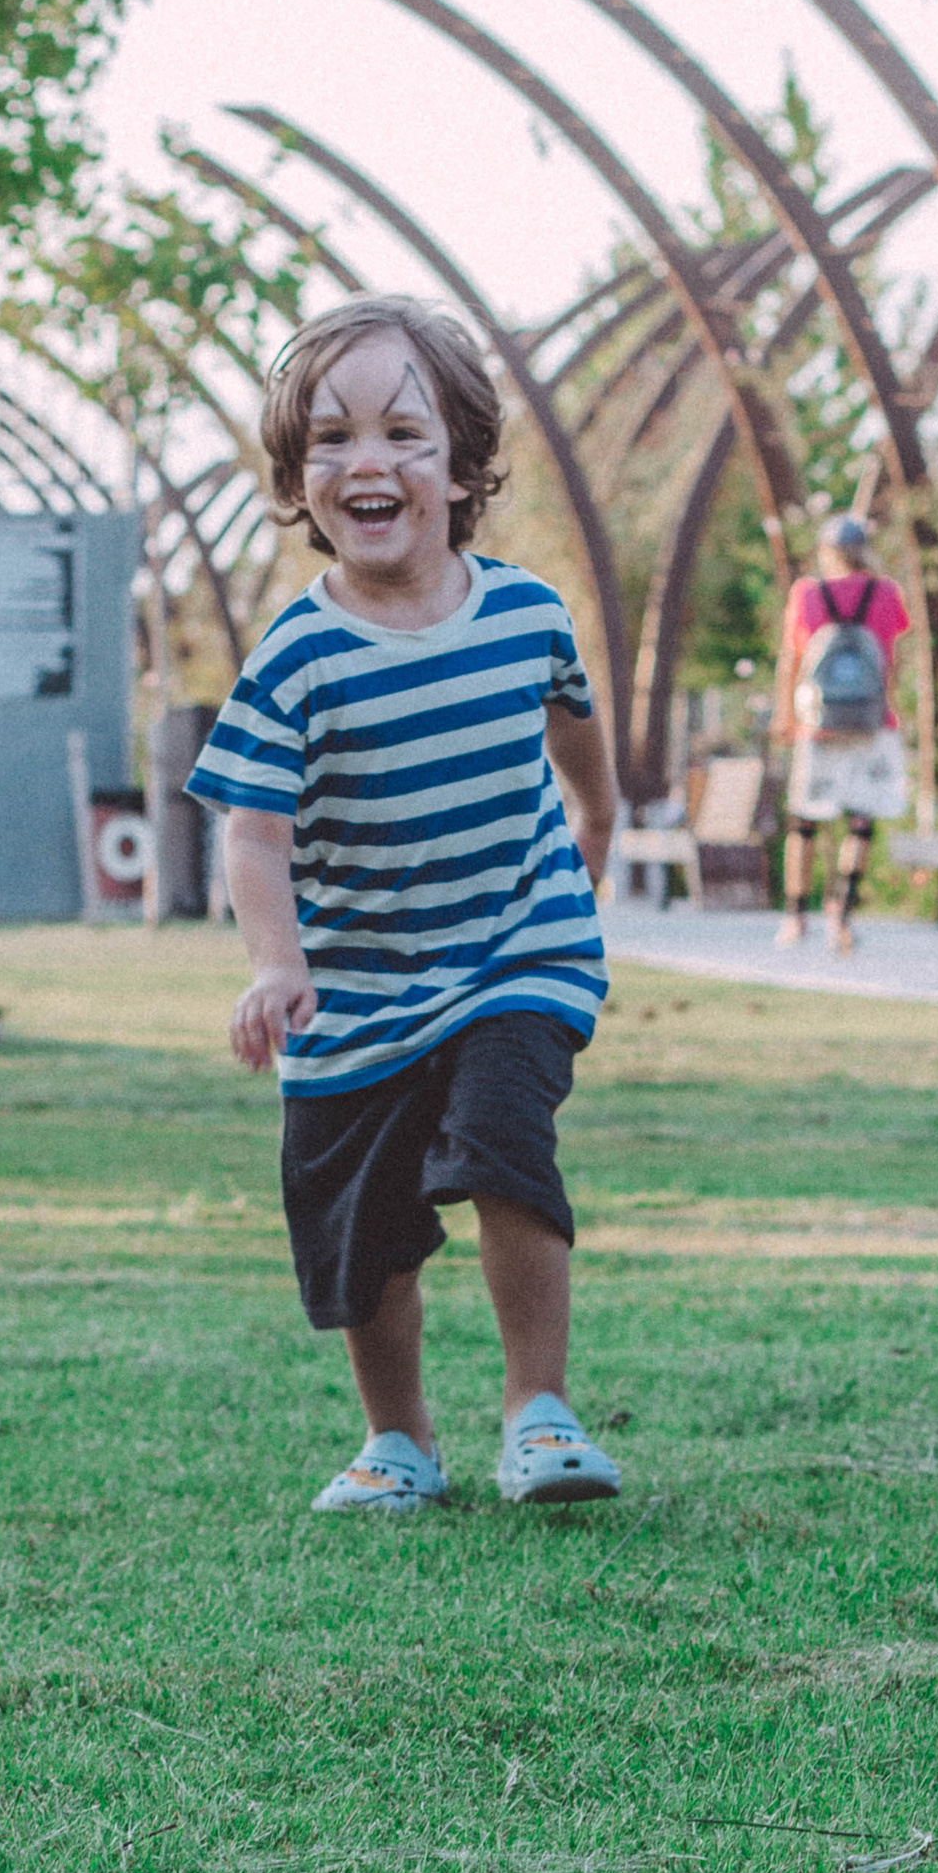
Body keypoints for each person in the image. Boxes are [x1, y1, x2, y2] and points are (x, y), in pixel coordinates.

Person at [187, 294, 623, 1517]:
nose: (365, 461)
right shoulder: (294, 659)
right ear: (298, 477)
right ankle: (399, 1442)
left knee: (503, 1148)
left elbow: (584, 759)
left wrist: (582, 865)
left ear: (463, 466)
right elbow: (253, 831)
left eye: (402, 434)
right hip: (355, 983)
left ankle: (537, 1414)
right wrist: (277, 965)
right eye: (329, 439)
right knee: (357, 1223)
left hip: (511, 956)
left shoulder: (528, 616)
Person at [768, 509, 914, 954]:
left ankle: (796, 915)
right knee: (860, 819)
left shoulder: (808, 594)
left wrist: (785, 716)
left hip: (818, 723)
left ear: (827, 552)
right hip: (872, 722)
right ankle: (843, 915)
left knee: (805, 821)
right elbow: (893, 661)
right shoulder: (886, 593)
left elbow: (792, 660)